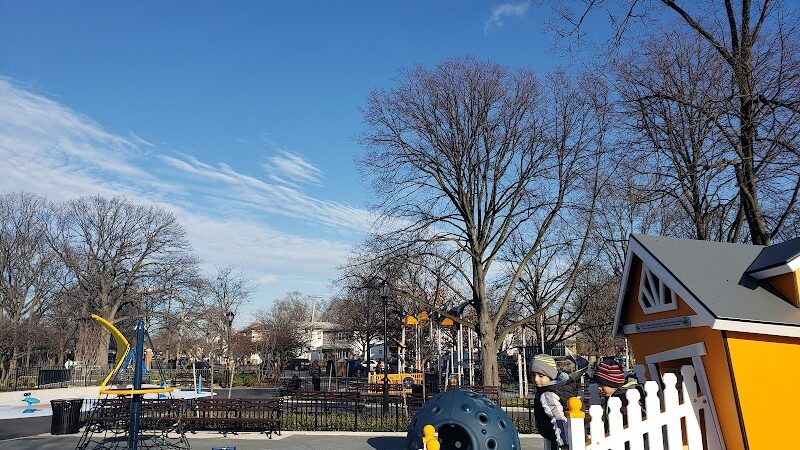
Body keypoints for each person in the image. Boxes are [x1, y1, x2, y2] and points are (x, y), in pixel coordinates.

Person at [530, 354, 569, 450]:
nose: (536, 379)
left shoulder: (547, 394)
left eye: (541, 376)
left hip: (557, 439)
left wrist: (564, 443)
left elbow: (558, 419)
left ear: (551, 375)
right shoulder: (559, 388)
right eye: (533, 375)